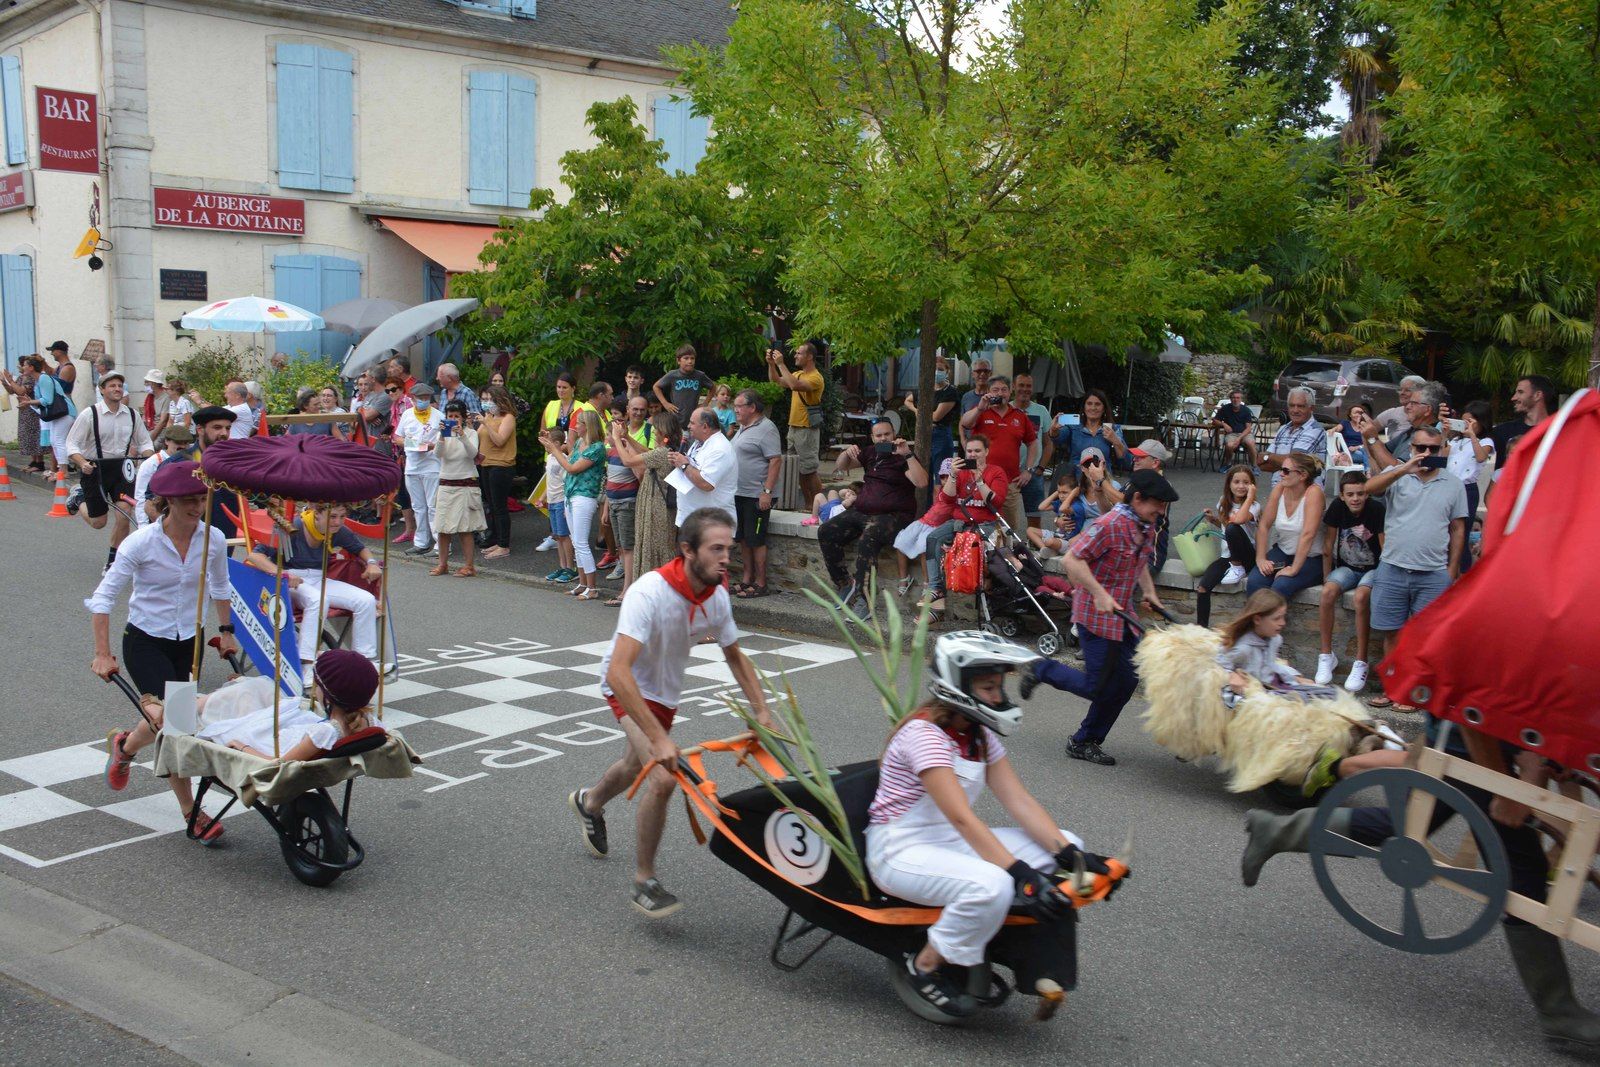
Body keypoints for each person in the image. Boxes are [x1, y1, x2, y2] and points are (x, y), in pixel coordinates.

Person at [1240, 714, 1600, 1051]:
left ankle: (1278, 830)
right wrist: (1507, 789)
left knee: (1405, 826)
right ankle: (1559, 1014)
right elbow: (1475, 698)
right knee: (1521, 872)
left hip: (1472, 741)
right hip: (1475, 745)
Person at [867, 630, 1097, 1017]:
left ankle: (1001, 937)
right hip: (900, 849)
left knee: (1063, 843)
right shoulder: (925, 736)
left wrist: (1073, 856)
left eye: (999, 686)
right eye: (989, 687)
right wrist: (1018, 871)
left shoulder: (977, 735)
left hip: (948, 841)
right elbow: (961, 816)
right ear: (958, 686)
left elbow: (1018, 801)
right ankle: (922, 966)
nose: (998, 696)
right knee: (992, 884)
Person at [567, 508, 775, 916]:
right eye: (716, 549)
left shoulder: (716, 595)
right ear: (687, 550)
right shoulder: (650, 591)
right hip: (625, 686)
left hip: (664, 693)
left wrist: (761, 710)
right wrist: (661, 738)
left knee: (633, 766)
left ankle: (590, 803)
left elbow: (734, 655)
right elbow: (619, 669)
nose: (725, 558)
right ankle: (645, 880)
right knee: (662, 779)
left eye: (728, 550)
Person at [92, 460, 239, 840]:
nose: (195, 507)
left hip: (188, 644)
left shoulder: (214, 539)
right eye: (187, 500)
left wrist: (226, 632)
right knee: (175, 726)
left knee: (173, 718)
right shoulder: (140, 542)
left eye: (200, 499)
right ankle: (192, 812)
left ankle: (124, 745)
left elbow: (221, 587)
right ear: (167, 501)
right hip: (144, 640)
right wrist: (102, 653)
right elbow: (103, 599)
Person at [1017, 469, 1177, 766]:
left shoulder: (1144, 524)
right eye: (1158, 504)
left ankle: (1085, 740)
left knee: (1126, 683)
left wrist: (1149, 592)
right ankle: (1042, 669)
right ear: (1139, 498)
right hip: (1095, 615)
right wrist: (1099, 593)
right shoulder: (1110, 524)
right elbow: (1071, 560)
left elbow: (1139, 561)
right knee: (1097, 686)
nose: (1161, 511)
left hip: (1123, 618)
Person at [1352, 421, 1468, 711]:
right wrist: (1403, 469)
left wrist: (1451, 570)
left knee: (1424, 637)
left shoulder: (1453, 483)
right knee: (1391, 632)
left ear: (1442, 449)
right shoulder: (1398, 474)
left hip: (1432, 572)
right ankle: (1394, 690)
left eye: (1433, 448)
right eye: (1420, 447)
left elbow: (1458, 529)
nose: (1426, 453)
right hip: (1393, 567)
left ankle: (1414, 692)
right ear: (1411, 448)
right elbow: (1368, 489)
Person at [246, 503, 382, 683]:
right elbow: (254, 556)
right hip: (292, 580)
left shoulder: (338, 530)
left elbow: (360, 549)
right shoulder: (293, 526)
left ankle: (364, 661)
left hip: (319, 578)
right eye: (333, 516)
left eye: (342, 517)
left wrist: (371, 562)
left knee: (366, 600)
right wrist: (282, 573)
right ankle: (306, 664)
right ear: (316, 514)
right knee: (318, 600)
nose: (338, 522)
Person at [819, 418, 927, 611]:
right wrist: (846, 453)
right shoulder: (870, 452)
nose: (884, 438)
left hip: (893, 516)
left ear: (894, 434)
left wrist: (908, 455)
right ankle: (845, 584)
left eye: (887, 434)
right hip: (862, 511)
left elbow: (921, 482)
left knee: (868, 537)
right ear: (873, 437)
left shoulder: (902, 456)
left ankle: (864, 599)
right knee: (826, 530)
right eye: (879, 435)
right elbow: (841, 466)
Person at [202, 649, 382, 761]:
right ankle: (211, 697)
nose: (314, 689)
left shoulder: (325, 732)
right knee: (258, 688)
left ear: (327, 696)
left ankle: (195, 704)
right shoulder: (369, 722)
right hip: (290, 730)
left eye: (317, 685)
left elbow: (278, 766)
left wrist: (242, 747)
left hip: (263, 745)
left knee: (249, 691)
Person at [65, 371, 155, 572]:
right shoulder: (90, 414)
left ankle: (113, 562)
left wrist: (148, 458)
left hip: (122, 469)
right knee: (98, 522)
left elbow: (144, 442)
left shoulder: (131, 415)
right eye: (112, 385)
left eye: (119, 386)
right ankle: (78, 499)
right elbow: (71, 444)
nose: (117, 389)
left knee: (124, 514)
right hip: (94, 468)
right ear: (102, 390)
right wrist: (82, 463)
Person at [923, 435, 1010, 610]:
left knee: (970, 548)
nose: (972, 455)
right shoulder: (961, 472)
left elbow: (996, 502)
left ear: (986, 451)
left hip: (985, 523)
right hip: (960, 522)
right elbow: (946, 498)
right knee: (932, 538)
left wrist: (979, 480)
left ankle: (972, 590)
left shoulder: (996, 472)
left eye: (977, 451)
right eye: (969, 451)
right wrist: (953, 476)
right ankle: (935, 587)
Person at [1315, 473, 1384, 691]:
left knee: (1361, 597)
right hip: (1348, 567)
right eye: (1350, 494)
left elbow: (1385, 547)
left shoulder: (1375, 509)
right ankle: (1326, 655)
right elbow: (1328, 544)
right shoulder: (1337, 507)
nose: (1356, 499)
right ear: (1342, 496)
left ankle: (1361, 660)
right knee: (1327, 593)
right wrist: (1327, 576)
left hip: (1374, 568)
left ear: (1367, 493)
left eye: (1361, 494)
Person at [958, 374, 1037, 532]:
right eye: (995, 390)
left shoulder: (1019, 416)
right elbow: (965, 423)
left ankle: (1007, 554)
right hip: (980, 479)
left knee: (1008, 528)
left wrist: (1028, 470)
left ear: (1010, 392)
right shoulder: (981, 412)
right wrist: (980, 407)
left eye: (1004, 390)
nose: (1000, 393)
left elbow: (1032, 442)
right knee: (979, 524)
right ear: (988, 392)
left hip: (1010, 482)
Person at [1216, 589, 1317, 708]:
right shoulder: (1244, 649)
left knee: (1321, 696)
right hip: (1261, 692)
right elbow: (1220, 663)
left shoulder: (1275, 639)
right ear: (1257, 619)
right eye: (1277, 618)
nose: (1282, 623)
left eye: (1283, 617)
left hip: (1275, 684)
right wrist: (1232, 675)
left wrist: (1295, 678)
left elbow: (1271, 665)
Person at [544, 408, 606, 600]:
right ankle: (582, 583)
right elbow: (568, 463)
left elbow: (571, 468)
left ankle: (592, 587)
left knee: (580, 542)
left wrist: (555, 450)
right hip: (571, 496)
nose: (575, 426)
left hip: (584, 497)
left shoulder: (596, 448)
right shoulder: (579, 442)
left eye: (579, 423)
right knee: (577, 540)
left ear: (588, 426)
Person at [1246, 451, 1325, 599]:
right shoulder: (1280, 489)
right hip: (1284, 551)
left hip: (1313, 557)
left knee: (1281, 586)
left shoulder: (1314, 493)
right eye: (1280, 469)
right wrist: (1261, 559)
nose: (1280, 474)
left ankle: (1272, 621)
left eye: (1286, 471)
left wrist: (1294, 569)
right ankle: (1255, 621)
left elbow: (1308, 534)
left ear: (1303, 475)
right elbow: (1263, 526)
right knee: (1255, 581)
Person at [613, 413, 682, 575]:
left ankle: (655, 586)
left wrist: (617, 439)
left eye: (655, 429)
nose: (652, 431)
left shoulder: (661, 453)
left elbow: (628, 461)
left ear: (662, 431)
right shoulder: (666, 450)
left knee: (654, 547)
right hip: (658, 505)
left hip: (656, 508)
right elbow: (646, 452)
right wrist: (627, 437)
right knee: (659, 547)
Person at [729, 389, 782, 598]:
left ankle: (761, 583)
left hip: (756, 494)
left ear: (752, 407)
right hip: (739, 493)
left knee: (756, 539)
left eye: (739, 406)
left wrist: (767, 492)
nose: (736, 410)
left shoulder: (767, 429)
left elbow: (776, 460)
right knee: (742, 538)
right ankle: (746, 578)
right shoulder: (742, 427)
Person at [1193, 464, 1261, 628]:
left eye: (1246, 482)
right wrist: (1213, 520)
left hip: (1247, 556)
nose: (1241, 486)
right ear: (1229, 484)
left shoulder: (1254, 506)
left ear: (1252, 485)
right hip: (1227, 556)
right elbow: (1226, 526)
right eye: (1236, 482)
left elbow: (1237, 522)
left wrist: (1251, 497)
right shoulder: (1223, 502)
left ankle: (1238, 568)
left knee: (1233, 527)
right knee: (1203, 587)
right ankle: (1201, 629)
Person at [602, 397, 654, 596]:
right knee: (622, 546)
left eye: (642, 409)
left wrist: (624, 441)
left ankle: (628, 590)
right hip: (614, 498)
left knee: (628, 545)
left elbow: (643, 466)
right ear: (627, 410)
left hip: (630, 499)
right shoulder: (614, 433)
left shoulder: (647, 431)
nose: (638, 413)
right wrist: (606, 506)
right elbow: (610, 473)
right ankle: (627, 584)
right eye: (635, 409)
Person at [767, 339, 827, 507]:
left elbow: (794, 386)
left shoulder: (816, 378)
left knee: (809, 469)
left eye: (799, 353)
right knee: (798, 469)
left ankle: (820, 506)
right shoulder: (798, 373)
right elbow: (777, 381)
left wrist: (781, 364)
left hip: (807, 429)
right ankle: (809, 505)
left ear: (810, 357)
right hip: (794, 428)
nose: (795, 355)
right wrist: (772, 364)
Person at [431, 399, 485, 577]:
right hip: (446, 482)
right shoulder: (443, 434)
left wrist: (461, 435)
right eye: (450, 416)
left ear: (463, 418)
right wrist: (441, 436)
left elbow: (471, 454)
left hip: (465, 483)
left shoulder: (471, 433)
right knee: (443, 527)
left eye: (456, 416)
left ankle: (469, 566)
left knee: (465, 527)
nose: (453, 420)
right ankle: (442, 564)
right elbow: (438, 454)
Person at [1443, 399, 1494, 572]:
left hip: (1467, 489)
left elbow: (1481, 457)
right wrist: (1444, 434)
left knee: (1461, 534)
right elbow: (1442, 456)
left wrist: (1472, 435)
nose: (1465, 426)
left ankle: (1462, 572)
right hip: (1448, 487)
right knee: (1445, 533)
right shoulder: (1455, 441)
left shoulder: (1486, 441)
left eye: (1470, 422)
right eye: (1463, 422)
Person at [667, 407, 737, 528]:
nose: (688, 426)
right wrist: (679, 461)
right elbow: (695, 467)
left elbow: (706, 483)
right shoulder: (700, 442)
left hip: (710, 524)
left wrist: (684, 465)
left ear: (705, 427)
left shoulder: (720, 449)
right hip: (695, 520)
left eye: (692, 423)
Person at [395, 384, 443, 556]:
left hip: (432, 466)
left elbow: (446, 440)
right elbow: (397, 437)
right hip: (412, 466)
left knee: (433, 506)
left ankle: (440, 545)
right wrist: (413, 444)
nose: (423, 401)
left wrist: (432, 445)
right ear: (412, 398)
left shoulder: (439, 416)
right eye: (420, 398)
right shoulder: (407, 415)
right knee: (418, 506)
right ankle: (421, 542)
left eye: (426, 398)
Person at [1489, 374, 1556, 483]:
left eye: (1520, 392)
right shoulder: (1502, 431)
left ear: (1537, 395)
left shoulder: (1559, 433)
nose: (1513, 398)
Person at [477, 384, 517, 560]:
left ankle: (504, 545)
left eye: (489, 400)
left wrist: (486, 423)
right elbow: (479, 437)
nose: (486, 403)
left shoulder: (508, 417)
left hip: (501, 466)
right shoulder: (489, 416)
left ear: (499, 400)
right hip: (486, 464)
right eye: (484, 399)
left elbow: (500, 440)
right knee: (492, 506)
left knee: (500, 507)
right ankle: (497, 540)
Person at [902, 354, 960, 475]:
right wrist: (916, 410)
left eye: (940, 369)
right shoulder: (926, 388)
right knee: (923, 473)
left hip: (941, 435)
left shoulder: (950, 392)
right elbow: (907, 401)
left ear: (947, 371)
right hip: (923, 434)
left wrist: (920, 414)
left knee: (941, 474)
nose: (936, 372)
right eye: (934, 369)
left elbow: (936, 417)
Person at [132, 425, 194, 526]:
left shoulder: (190, 461)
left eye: (186, 443)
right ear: (166, 441)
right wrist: (143, 526)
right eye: (178, 442)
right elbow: (141, 498)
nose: (182, 446)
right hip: (157, 519)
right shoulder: (151, 464)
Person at [1261, 387, 1326, 482]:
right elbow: (1262, 464)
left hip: (1305, 493)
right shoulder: (1283, 429)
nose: (1295, 410)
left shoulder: (1315, 430)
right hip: (1278, 491)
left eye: (1300, 406)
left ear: (1311, 408)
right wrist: (1281, 461)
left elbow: (1294, 461)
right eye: (1292, 405)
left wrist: (1268, 457)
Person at [1011, 373, 1051, 526]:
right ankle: (1006, 547)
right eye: (1021, 385)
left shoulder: (1041, 411)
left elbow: (1048, 443)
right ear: (1014, 387)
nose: (1025, 389)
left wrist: (1041, 467)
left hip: (1033, 473)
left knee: (1034, 514)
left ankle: (1032, 544)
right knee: (1006, 516)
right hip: (1010, 473)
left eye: (1028, 386)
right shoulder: (1005, 409)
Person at [655, 343, 716, 433]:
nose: (690, 361)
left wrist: (705, 403)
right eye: (686, 358)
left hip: (694, 420)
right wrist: (665, 403)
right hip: (676, 419)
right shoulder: (673, 375)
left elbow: (713, 387)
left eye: (692, 358)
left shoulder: (699, 376)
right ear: (678, 361)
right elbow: (656, 387)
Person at [1384, 380, 1447, 463]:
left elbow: (1397, 471)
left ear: (1427, 409)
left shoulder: (1429, 438)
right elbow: (1383, 451)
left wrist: (1372, 439)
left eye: (1413, 403)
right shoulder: (1412, 430)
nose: (1407, 407)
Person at [1, 355, 44, 470]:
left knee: (35, 434)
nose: (21, 367)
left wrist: (10, 380)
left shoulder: (31, 378)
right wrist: (4, 382)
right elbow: (12, 390)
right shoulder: (21, 377)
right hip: (24, 410)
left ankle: (40, 462)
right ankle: (34, 461)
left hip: (33, 410)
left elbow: (20, 391)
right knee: (27, 435)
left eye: (24, 365)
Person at [1208, 389, 1259, 468]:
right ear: (1230, 399)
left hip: (1244, 434)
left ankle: (1255, 466)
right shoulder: (1225, 408)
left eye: (1238, 398)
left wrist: (1239, 438)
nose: (1235, 400)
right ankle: (1227, 464)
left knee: (1251, 443)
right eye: (1233, 398)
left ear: (1241, 399)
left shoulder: (1246, 410)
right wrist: (1224, 424)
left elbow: (1248, 428)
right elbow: (1214, 420)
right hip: (1231, 434)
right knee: (1229, 445)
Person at [1372, 374, 1428, 439]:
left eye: (1407, 390)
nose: (1402, 393)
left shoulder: (1426, 416)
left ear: (1420, 393)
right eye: (1400, 389)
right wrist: (1370, 445)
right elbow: (1368, 431)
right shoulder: (1392, 413)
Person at [957, 356, 993, 431]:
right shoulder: (966, 397)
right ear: (973, 374)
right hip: (970, 441)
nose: (982, 374)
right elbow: (962, 421)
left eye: (986, 371)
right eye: (979, 371)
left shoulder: (994, 396)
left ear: (990, 374)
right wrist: (963, 440)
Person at [139, 368, 168, 434]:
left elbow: (162, 421)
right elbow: (144, 415)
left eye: (147, 382)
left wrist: (151, 439)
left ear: (154, 384)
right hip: (149, 428)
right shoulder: (150, 396)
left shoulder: (166, 398)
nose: (144, 384)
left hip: (160, 432)